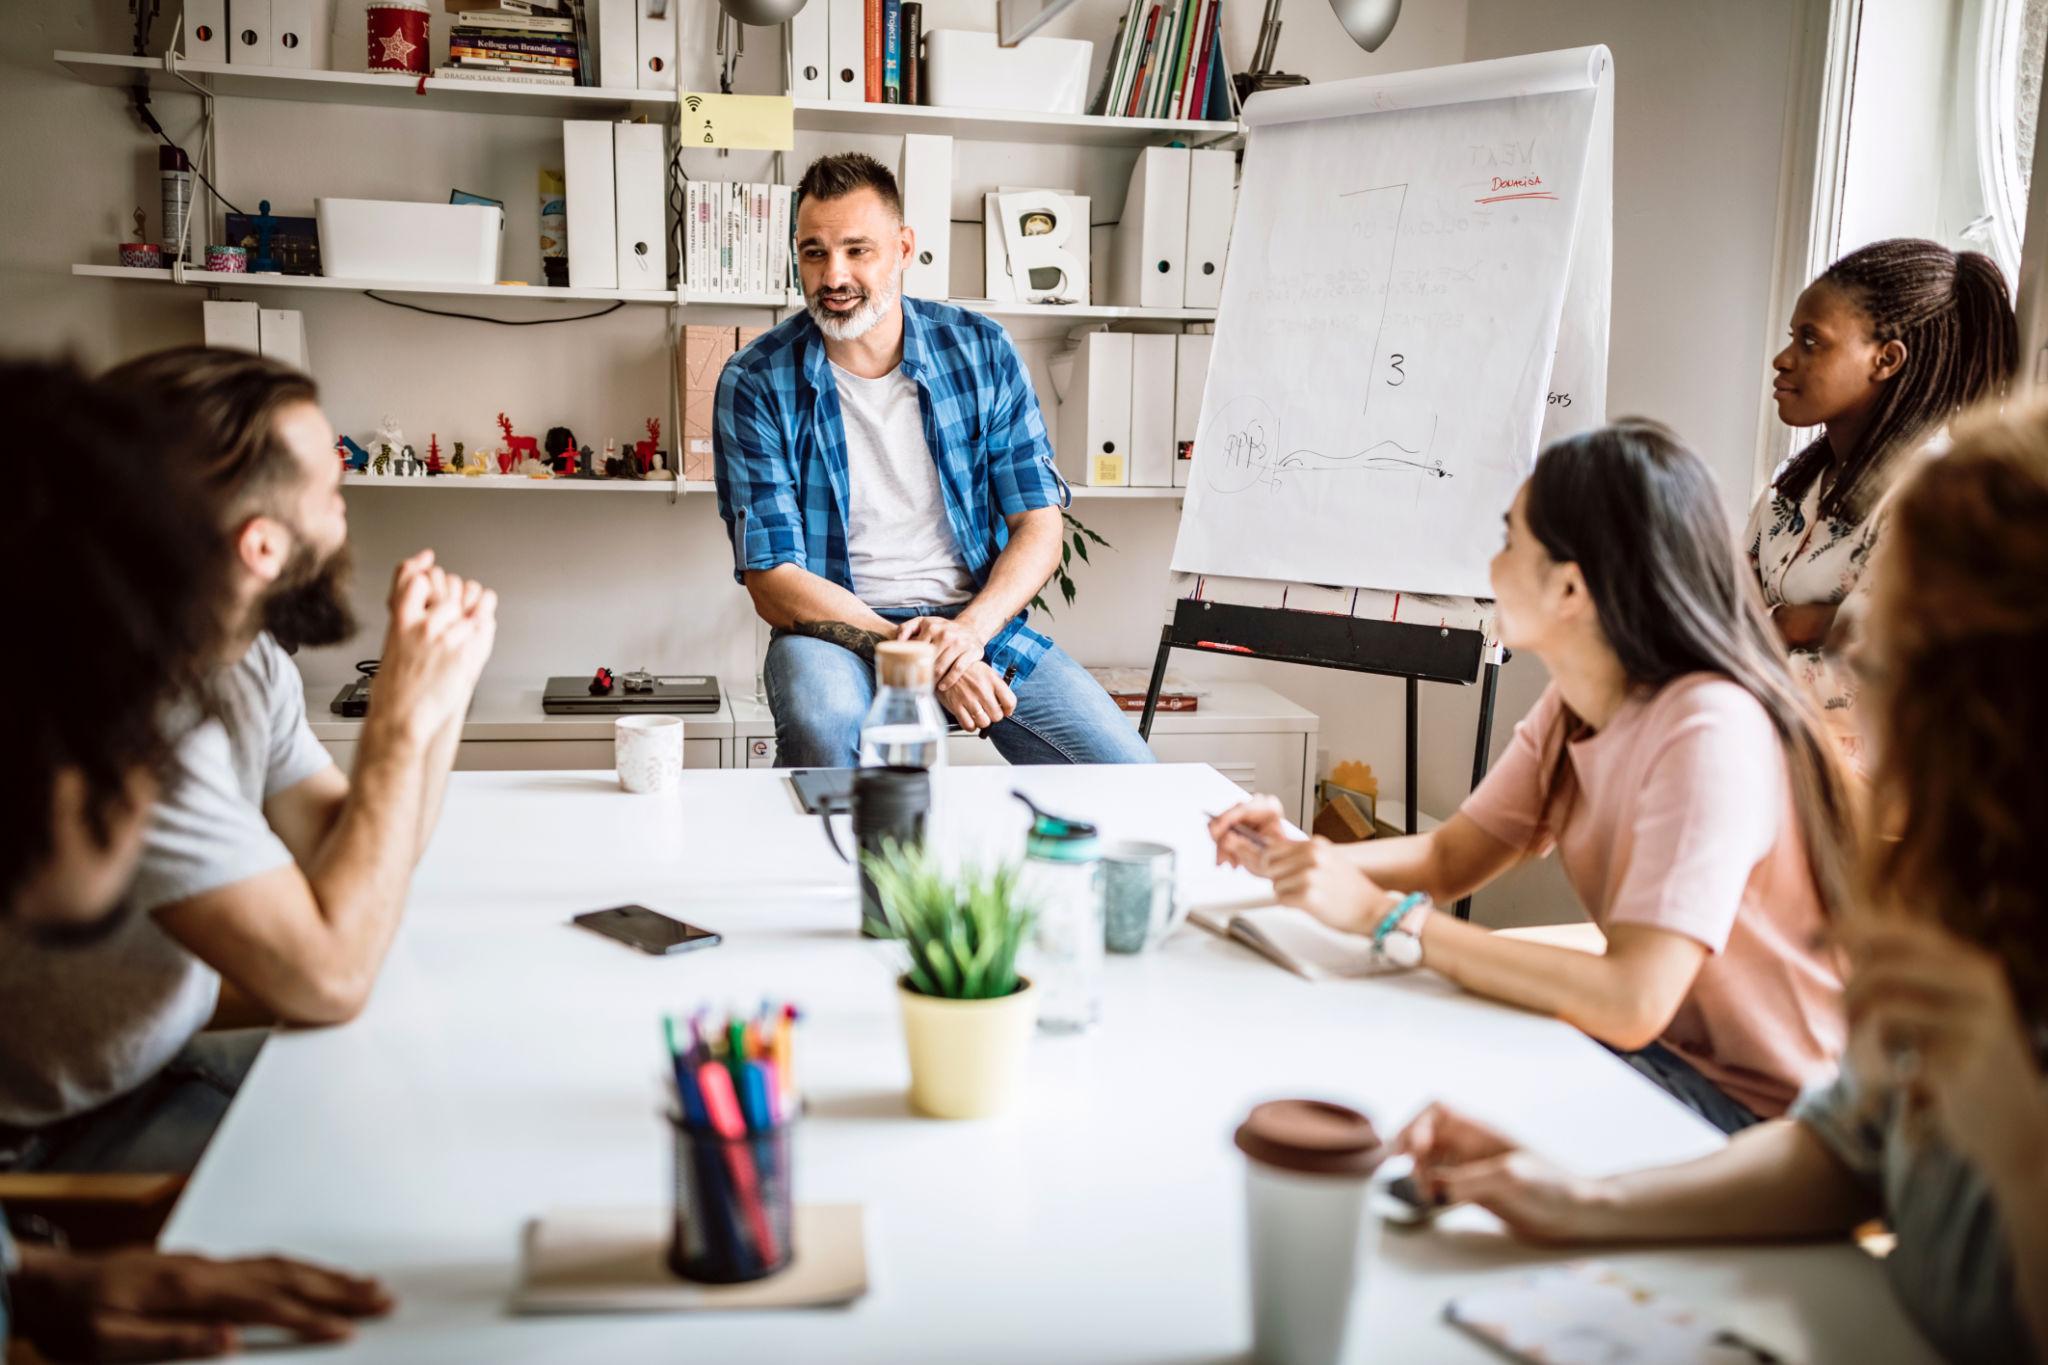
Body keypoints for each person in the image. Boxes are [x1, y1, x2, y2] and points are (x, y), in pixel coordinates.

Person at [1389, 402, 2048, 1364]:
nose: (1852, 681)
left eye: (1895, 657)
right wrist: (1576, 1199)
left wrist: (2006, 1112)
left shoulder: (1713, 725)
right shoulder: (1962, 894)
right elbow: (1841, 1151)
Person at [1210, 420, 1855, 1132]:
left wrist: (1381, 916)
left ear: (1571, 589)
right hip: (1659, 1057)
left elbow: (1632, 1001)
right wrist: (1301, 860)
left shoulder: (1709, 730)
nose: (1491, 565)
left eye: (1510, 541)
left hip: (1759, 1114)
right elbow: (1452, 858)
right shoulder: (1580, 700)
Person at [0, 347, 498, 1176]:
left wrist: (439, 690)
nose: (345, 485)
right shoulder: (134, 724)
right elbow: (334, 974)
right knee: (409, 1156)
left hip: (159, 1067)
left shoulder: (248, 663)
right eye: (329, 484)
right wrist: (400, 719)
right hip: (58, 1138)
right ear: (261, 546)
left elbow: (366, 857)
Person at [1, 356, 391, 1359]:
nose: (158, 790)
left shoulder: (217, 672)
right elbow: (327, 969)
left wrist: (30, 1278)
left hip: (151, 1079)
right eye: (135, 712)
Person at [713, 152, 1154, 768]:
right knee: (823, 729)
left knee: (1128, 775)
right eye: (814, 252)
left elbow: (1040, 524)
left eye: (857, 250)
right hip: (832, 632)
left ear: (903, 247)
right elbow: (772, 579)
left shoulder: (980, 349)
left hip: (972, 623)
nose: (833, 275)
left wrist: (965, 636)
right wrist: (917, 657)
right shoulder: (755, 379)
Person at [1750, 238, 2016, 764]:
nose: (1782, 360)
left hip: (1861, 810)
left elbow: (1865, 687)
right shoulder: (1794, 483)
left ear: (1887, 359)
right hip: (1763, 771)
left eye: (1811, 341)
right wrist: (1805, 624)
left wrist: (1770, 628)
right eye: (1791, 337)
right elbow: (1717, 615)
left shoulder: (1931, 498)